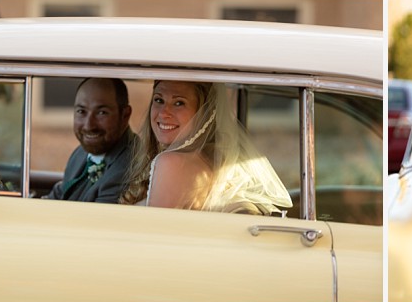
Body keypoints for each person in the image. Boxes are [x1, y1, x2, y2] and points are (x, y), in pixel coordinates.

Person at [119, 79, 292, 215]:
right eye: (159, 100)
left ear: (204, 111)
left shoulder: (171, 163)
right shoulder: (209, 161)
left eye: (179, 103)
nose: (164, 113)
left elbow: (152, 235)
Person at [46, 78, 136, 203]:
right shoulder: (80, 153)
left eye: (101, 112)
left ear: (125, 115)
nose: (89, 126)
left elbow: (94, 221)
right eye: (81, 111)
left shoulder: (130, 167)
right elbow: (61, 193)